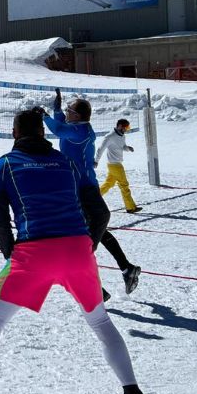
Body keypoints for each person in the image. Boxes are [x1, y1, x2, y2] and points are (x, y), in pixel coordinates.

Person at [0, 109, 159, 394]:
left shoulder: (4, 166)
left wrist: (14, 258)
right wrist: (85, 247)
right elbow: (101, 212)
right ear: (43, 133)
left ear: (14, 133)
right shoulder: (67, 164)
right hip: (77, 251)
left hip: (32, 253)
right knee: (101, 323)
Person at [43, 90, 141, 295]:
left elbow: (59, 130)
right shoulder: (76, 126)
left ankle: (98, 286)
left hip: (84, 186)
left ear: (77, 116)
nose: (67, 113)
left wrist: (44, 116)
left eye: (70, 111)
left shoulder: (82, 131)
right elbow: (61, 124)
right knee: (97, 230)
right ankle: (126, 269)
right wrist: (56, 109)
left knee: (88, 235)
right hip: (77, 186)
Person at [96, 119, 142, 213]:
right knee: (124, 185)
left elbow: (122, 147)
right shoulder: (110, 136)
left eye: (128, 128)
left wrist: (127, 148)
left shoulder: (122, 136)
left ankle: (94, 197)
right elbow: (100, 149)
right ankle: (130, 207)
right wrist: (96, 161)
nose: (127, 130)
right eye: (126, 128)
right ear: (120, 126)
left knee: (109, 184)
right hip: (114, 165)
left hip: (115, 164)